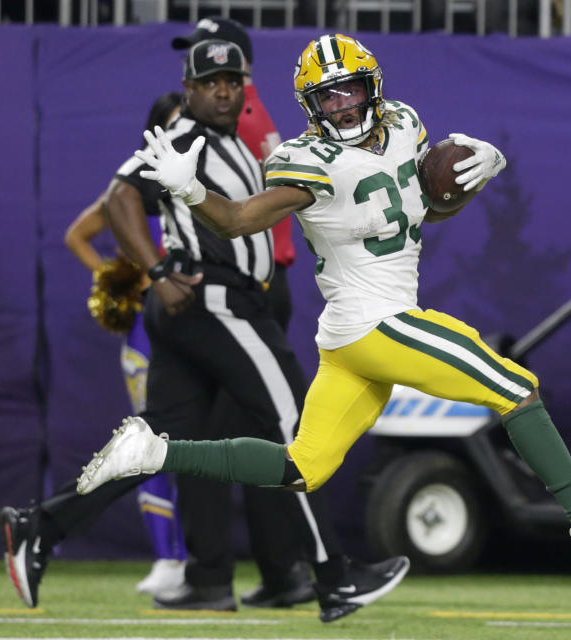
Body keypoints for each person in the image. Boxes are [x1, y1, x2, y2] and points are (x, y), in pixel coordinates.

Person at [76, 33, 571, 590]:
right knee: (515, 386)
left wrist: (474, 183)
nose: (342, 105)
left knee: (301, 467)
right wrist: (189, 190)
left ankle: (153, 451)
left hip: (352, 339)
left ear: (373, 87)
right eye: (327, 96)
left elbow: (423, 213)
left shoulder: (404, 126)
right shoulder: (305, 159)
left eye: (349, 90)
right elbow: (239, 220)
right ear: (309, 105)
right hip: (374, 322)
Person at [20, 36, 406, 622]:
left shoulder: (229, 142)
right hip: (217, 300)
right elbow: (120, 196)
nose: (224, 91)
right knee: (295, 424)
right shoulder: (184, 138)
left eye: (233, 81)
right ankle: (334, 577)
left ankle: (42, 526)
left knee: (152, 445)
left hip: (213, 305)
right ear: (190, 90)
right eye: (211, 83)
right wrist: (152, 271)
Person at [169, 18, 311, 609]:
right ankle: (275, 573)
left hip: (245, 286)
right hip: (260, 282)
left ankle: (286, 570)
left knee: (244, 437)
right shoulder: (260, 118)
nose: (219, 87)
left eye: (226, 73)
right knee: (239, 437)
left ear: (241, 72)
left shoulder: (236, 120)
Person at [62, 91, 189, 597]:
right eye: (175, 123)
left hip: (201, 322)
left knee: (201, 438)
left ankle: (202, 556)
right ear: (155, 131)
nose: (185, 132)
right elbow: (78, 235)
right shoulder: (135, 186)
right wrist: (121, 280)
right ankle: (167, 557)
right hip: (147, 330)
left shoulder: (206, 180)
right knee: (148, 438)